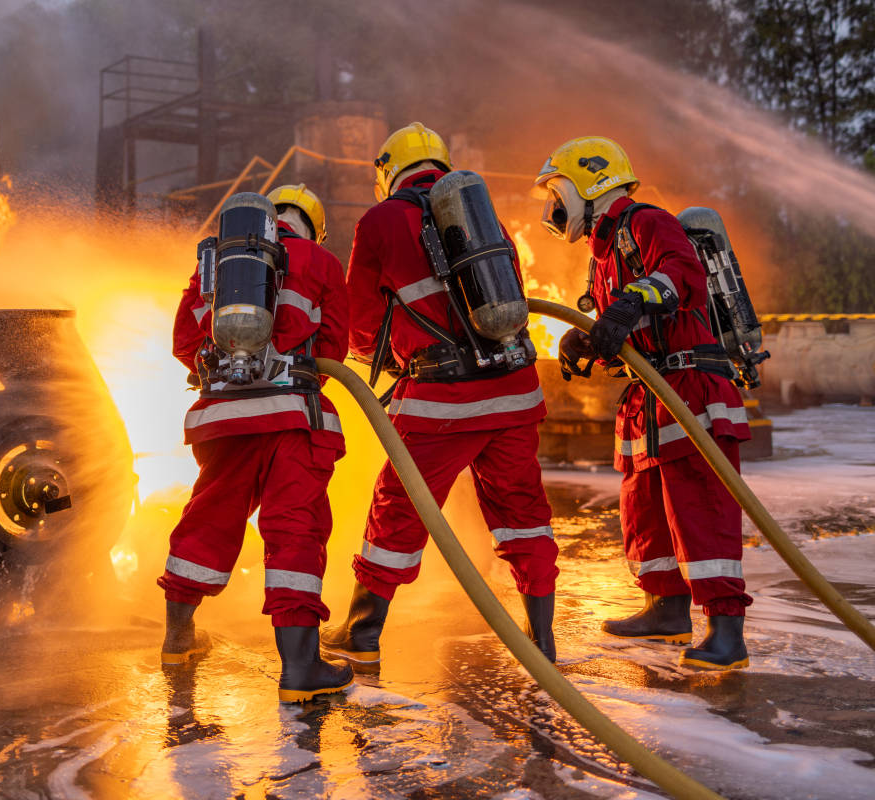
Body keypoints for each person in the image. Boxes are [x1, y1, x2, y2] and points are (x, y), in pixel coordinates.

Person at [323, 122, 559, 667]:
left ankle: (362, 632)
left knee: (399, 507)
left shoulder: (381, 219)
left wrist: (381, 356)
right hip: (514, 392)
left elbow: (361, 321)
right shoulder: (482, 211)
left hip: (441, 402)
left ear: (389, 173)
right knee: (524, 511)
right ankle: (542, 639)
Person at [533, 136, 752, 670]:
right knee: (645, 509)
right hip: (647, 396)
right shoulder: (602, 254)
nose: (554, 207)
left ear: (589, 185)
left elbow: (681, 273)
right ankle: (665, 608)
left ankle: (726, 631)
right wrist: (587, 340)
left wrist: (631, 301)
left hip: (689, 387)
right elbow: (624, 329)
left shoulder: (646, 222)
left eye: (558, 193)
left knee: (700, 508)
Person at [159, 183, 355, 702]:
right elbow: (334, 348)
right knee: (295, 529)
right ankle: (300, 669)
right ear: (312, 226)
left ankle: (177, 639)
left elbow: (184, 343)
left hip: (223, 422)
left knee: (209, 519)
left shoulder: (215, 260)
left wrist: (231, 377)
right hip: (292, 420)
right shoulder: (322, 262)